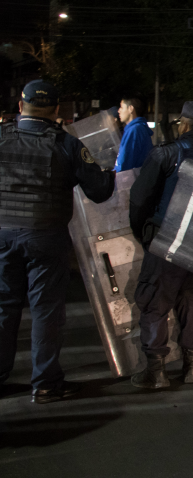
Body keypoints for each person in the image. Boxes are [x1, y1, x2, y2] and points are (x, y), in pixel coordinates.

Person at [0, 80, 116, 403]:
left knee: (3, 308)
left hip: (2, 235)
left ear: (20, 106)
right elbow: (100, 190)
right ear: (55, 110)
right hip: (45, 238)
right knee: (46, 310)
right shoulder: (66, 144)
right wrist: (108, 173)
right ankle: (46, 383)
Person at [128, 101, 193, 389]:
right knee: (191, 301)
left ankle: (156, 371)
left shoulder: (166, 154)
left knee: (154, 302)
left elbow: (139, 199)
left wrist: (145, 234)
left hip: (167, 241)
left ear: (183, 125)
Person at [114, 95, 153, 172]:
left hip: (130, 180)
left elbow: (124, 163)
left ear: (131, 109)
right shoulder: (138, 128)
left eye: (121, 107)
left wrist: (113, 174)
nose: (119, 111)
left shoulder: (134, 130)